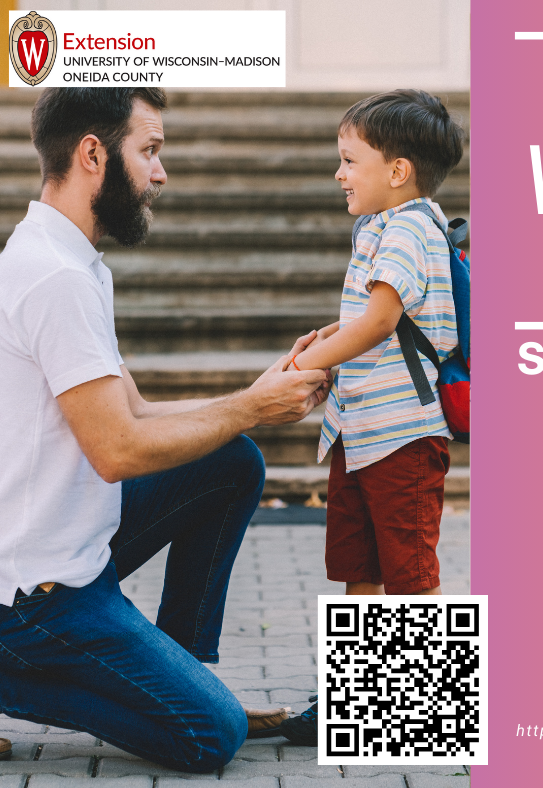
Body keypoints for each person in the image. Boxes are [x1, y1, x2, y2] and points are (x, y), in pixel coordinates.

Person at [0, 88, 331, 772]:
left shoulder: (72, 261)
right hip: (36, 596)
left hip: (69, 546)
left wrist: (254, 397)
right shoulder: (53, 277)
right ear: (93, 153)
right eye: (148, 151)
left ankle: (181, 667)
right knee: (211, 735)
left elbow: (139, 413)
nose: (161, 173)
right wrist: (252, 407)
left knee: (231, 460)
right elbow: (119, 450)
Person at [276, 89, 465, 746]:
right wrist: (325, 337)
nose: (339, 173)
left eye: (349, 159)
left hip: (403, 436)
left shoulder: (414, 225)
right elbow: (373, 316)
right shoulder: (380, 227)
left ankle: (424, 713)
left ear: (398, 170)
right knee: (361, 566)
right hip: (360, 434)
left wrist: (306, 369)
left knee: (409, 572)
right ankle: (361, 702)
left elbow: (383, 321)